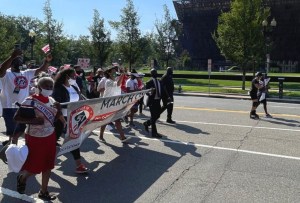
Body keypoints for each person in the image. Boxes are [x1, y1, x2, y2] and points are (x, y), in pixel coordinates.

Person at [13, 76, 63, 200]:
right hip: (35, 137)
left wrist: (59, 110)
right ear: (40, 87)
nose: (49, 89)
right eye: (47, 86)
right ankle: (23, 177)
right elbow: (16, 118)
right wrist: (34, 121)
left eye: (51, 87)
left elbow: (54, 120)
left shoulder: (51, 100)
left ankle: (44, 191)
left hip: (50, 136)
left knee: (48, 165)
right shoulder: (30, 100)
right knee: (35, 166)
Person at [0, 49, 52, 145]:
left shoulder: (26, 73)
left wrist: (46, 61)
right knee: (13, 129)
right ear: (11, 63)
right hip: (9, 106)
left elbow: (41, 70)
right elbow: (1, 70)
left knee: (23, 127)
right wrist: (12, 57)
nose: (18, 62)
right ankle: (12, 150)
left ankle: (13, 141)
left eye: (20, 60)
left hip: (24, 105)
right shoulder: (6, 74)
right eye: (16, 60)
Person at [52, 68, 89, 174]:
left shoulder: (73, 86)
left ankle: (79, 166)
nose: (75, 77)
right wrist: (63, 120)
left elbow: (80, 99)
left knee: (73, 141)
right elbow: (57, 105)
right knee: (52, 141)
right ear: (66, 76)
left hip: (73, 118)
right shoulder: (58, 88)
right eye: (73, 75)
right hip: (61, 119)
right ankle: (45, 161)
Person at [98, 66, 130, 143]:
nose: (115, 72)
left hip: (115, 105)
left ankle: (122, 137)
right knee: (105, 121)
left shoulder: (114, 80)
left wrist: (123, 74)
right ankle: (101, 136)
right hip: (107, 105)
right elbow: (118, 84)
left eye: (115, 71)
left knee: (117, 120)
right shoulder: (108, 81)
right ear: (109, 73)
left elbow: (119, 84)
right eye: (113, 71)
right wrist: (122, 74)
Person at [143, 69, 163, 138]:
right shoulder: (149, 82)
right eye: (153, 73)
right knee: (153, 117)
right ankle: (154, 133)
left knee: (157, 115)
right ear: (151, 74)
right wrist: (150, 93)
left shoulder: (159, 81)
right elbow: (146, 92)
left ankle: (147, 123)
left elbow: (162, 90)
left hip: (158, 101)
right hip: (152, 101)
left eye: (155, 72)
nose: (155, 73)